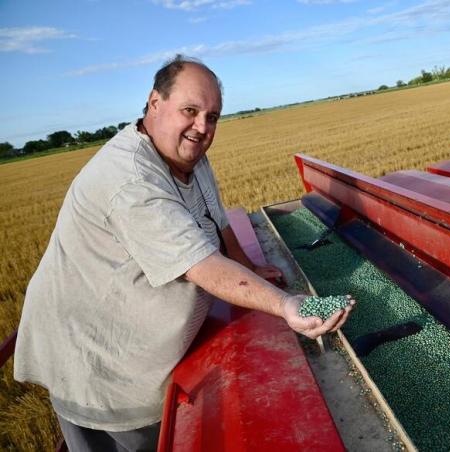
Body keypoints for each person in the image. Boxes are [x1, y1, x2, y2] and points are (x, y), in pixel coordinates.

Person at [14, 55, 354, 451]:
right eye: (190, 111)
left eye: (212, 116)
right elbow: (202, 266)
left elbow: (217, 222)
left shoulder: (188, 156)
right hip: (101, 367)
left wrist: (251, 268)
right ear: (154, 103)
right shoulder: (131, 182)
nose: (202, 127)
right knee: (132, 437)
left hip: (142, 346)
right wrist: (286, 305)